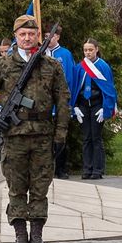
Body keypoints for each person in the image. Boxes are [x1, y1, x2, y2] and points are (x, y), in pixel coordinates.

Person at [0, 15, 69, 243]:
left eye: (31, 34)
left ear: (38, 36)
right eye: (22, 34)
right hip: (14, 135)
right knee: (16, 187)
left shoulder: (51, 65)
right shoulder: (3, 64)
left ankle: (36, 235)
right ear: (15, 36)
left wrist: (60, 134)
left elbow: (63, 100)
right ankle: (20, 235)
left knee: (40, 187)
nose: (27, 38)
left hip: (43, 135)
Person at [74, 39, 117, 180]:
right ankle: (87, 168)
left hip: (97, 105)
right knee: (86, 138)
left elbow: (109, 89)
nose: (88, 53)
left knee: (96, 137)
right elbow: (75, 88)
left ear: (96, 49)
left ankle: (98, 170)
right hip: (83, 105)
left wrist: (106, 108)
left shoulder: (103, 66)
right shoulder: (80, 67)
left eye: (90, 50)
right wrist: (75, 106)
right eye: (85, 50)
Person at [44, 25, 76, 179]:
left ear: (57, 37)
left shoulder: (65, 54)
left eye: (50, 36)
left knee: (61, 136)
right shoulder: (41, 53)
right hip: (45, 102)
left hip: (60, 102)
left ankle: (61, 169)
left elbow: (69, 78)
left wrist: (67, 101)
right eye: (45, 37)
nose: (48, 39)